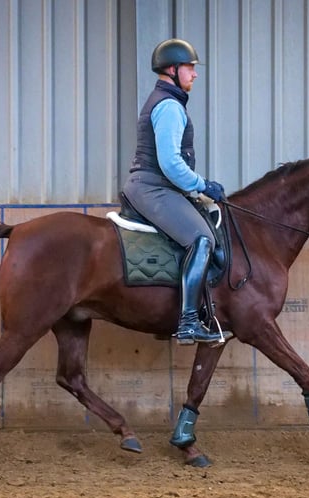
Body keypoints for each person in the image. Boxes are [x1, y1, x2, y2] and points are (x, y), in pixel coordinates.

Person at [122, 38, 228, 346]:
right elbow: (170, 163)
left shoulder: (169, 101)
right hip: (153, 187)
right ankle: (189, 323)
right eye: (190, 68)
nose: (194, 74)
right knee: (202, 239)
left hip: (157, 186)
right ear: (173, 69)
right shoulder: (168, 106)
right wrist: (201, 184)